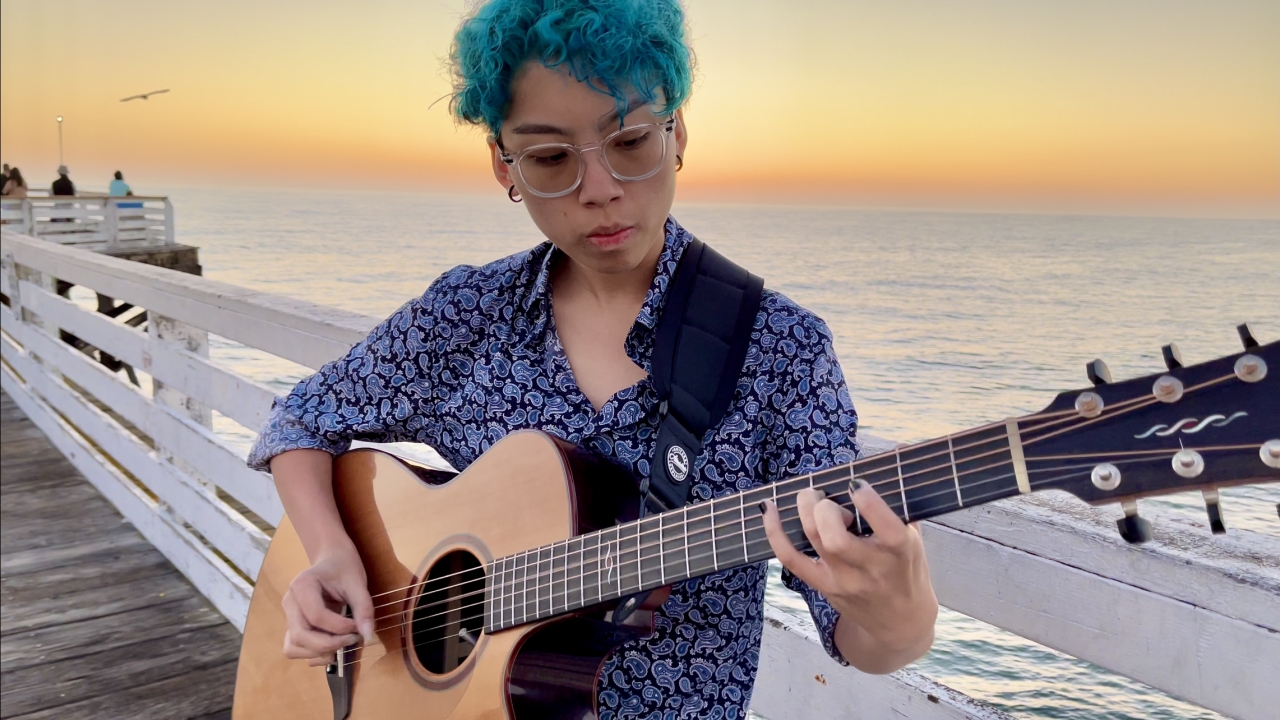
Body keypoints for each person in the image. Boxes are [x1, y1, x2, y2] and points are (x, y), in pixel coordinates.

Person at [246, 1, 938, 716]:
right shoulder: (467, 314)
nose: (600, 189)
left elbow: (855, 633)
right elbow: (301, 417)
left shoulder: (780, 349)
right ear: (503, 164)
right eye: (550, 159)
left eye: (631, 141)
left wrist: (901, 615)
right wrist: (329, 553)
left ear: (678, 136)